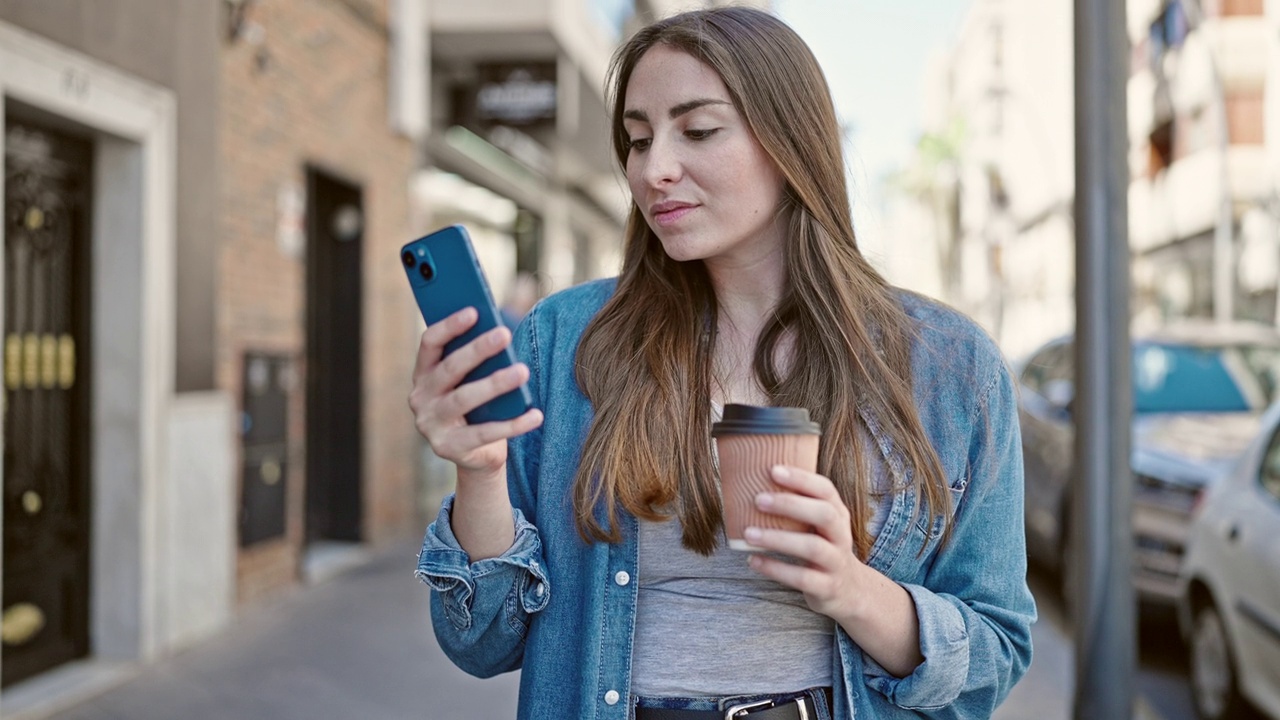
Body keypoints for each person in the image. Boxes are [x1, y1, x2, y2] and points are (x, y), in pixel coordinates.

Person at [409, 7, 1035, 719]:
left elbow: (995, 653)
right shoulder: (563, 339)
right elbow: (482, 643)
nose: (654, 169)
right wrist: (481, 470)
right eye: (638, 140)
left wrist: (852, 590)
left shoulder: (950, 367)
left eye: (698, 131)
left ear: (790, 142)